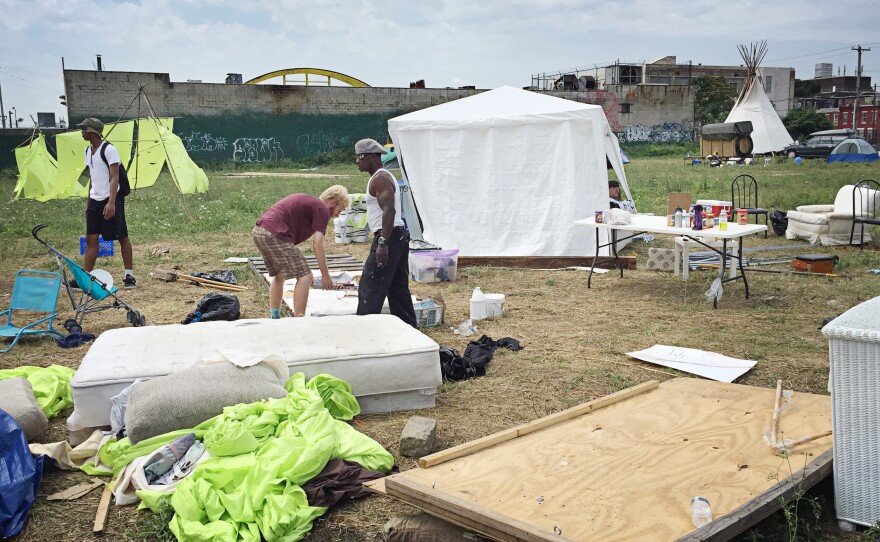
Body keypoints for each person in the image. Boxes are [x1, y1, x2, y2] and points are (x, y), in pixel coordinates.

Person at [252, 186, 350, 318]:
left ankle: (274, 316)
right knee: (306, 276)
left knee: (279, 275)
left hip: (259, 231)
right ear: (333, 202)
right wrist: (325, 276)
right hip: (273, 234)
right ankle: (299, 320)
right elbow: (317, 246)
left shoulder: (311, 204)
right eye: (340, 210)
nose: (338, 215)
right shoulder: (322, 210)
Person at [354, 139, 418, 328]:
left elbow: (389, 210)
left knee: (370, 288)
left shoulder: (380, 179)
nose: (358, 161)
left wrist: (383, 242)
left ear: (373, 157)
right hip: (397, 236)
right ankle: (408, 330)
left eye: (360, 157)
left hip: (388, 236)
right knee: (397, 289)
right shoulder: (380, 177)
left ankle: (364, 333)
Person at [79, 117, 136, 288]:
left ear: (92, 132)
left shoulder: (109, 150)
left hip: (111, 199)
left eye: (84, 130)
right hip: (95, 200)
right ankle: (85, 277)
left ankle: (129, 276)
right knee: (91, 239)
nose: (82, 133)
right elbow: (92, 178)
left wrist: (111, 203)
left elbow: (114, 177)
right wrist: (89, 203)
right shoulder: (88, 151)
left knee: (122, 237)